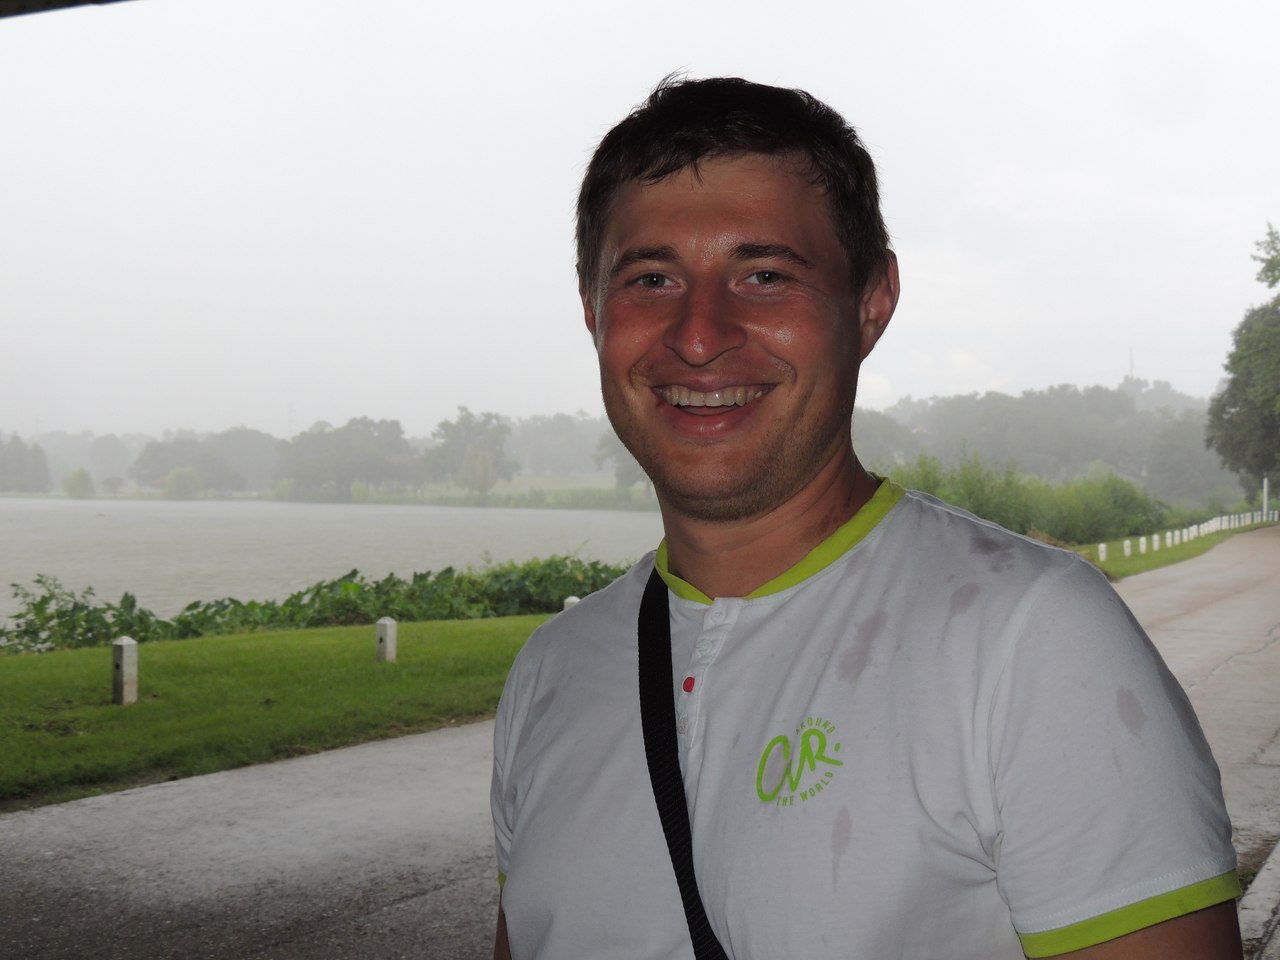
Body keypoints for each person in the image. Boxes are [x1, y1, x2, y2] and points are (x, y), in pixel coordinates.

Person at [490, 76, 1242, 959]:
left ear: (872, 302)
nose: (698, 335)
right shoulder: (552, 672)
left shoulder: (1035, 642)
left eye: (765, 275)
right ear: (592, 310)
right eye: (651, 279)